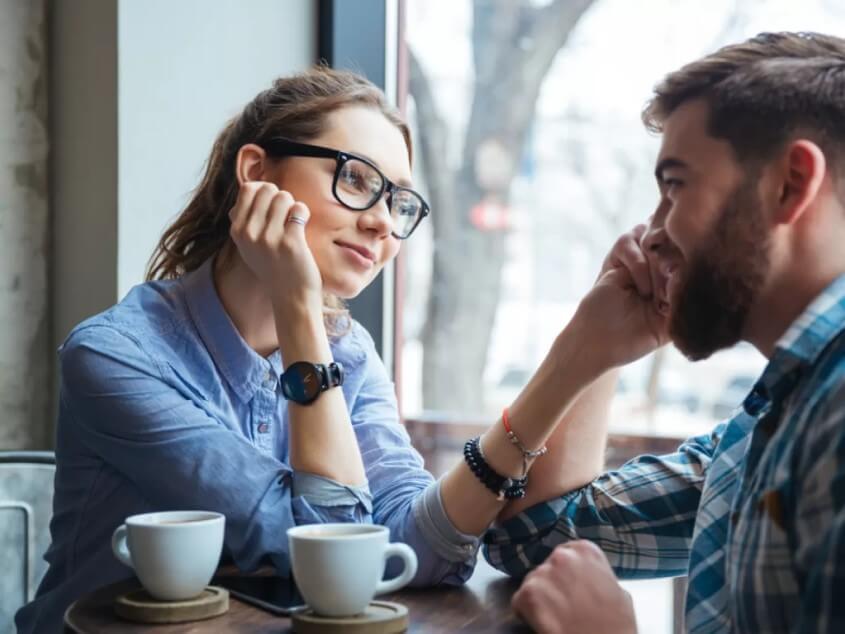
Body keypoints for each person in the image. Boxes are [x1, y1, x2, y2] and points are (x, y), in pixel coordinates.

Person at [16, 66, 614, 633]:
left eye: (400, 203)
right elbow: (337, 546)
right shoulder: (115, 357)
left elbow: (426, 552)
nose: (383, 223)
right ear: (255, 172)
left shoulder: (350, 354)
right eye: (356, 179)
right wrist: (299, 306)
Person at [482, 31, 845, 633]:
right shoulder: (768, 423)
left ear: (789, 184)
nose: (649, 234)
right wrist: (589, 349)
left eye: (675, 186)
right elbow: (538, 535)